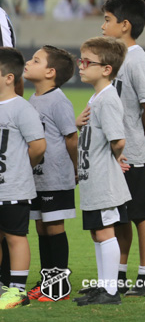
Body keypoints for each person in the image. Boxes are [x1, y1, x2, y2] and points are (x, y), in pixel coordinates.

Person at [100, 0, 145, 297]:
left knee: (141, 214)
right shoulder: (114, 59)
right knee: (118, 214)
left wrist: (138, 135)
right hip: (112, 151)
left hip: (130, 151)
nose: (103, 25)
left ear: (124, 25)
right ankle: (120, 274)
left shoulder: (137, 60)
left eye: (108, 20)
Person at [73, 37, 130, 306]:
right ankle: (103, 285)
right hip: (92, 179)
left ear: (106, 69)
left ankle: (110, 291)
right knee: (98, 232)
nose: (81, 66)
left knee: (106, 231)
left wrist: (113, 160)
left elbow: (118, 140)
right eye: (80, 61)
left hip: (103, 180)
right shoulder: (97, 97)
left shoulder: (107, 98)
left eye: (87, 62)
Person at [22, 46, 78, 303]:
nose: (28, 63)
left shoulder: (59, 100)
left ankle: (59, 288)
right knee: (42, 228)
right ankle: (47, 283)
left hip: (56, 178)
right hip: (37, 178)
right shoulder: (34, 99)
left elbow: (71, 138)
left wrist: (77, 169)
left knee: (55, 227)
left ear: (50, 72)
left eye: (35, 60)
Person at [0, 48, 46, 309]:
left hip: (14, 188)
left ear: (8, 78)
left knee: (15, 237)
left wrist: (19, 167)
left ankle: (17, 291)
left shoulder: (21, 108)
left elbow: (38, 146)